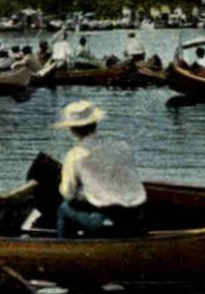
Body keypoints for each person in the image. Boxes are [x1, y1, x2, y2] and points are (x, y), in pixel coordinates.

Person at [53, 100, 147, 238]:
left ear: (72, 130)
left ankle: (66, 249)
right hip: (138, 215)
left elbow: (68, 193)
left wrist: (82, 193)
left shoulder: (75, 155)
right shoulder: (122, 146)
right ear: (95, 124)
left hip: (107, 220)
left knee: (63, 208)